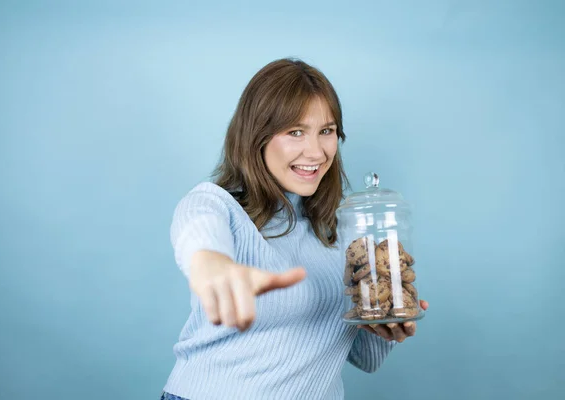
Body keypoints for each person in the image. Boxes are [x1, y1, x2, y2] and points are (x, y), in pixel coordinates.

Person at [161, 58, 429, 400]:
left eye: (327, 131)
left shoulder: (339, 233)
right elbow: (197, 234)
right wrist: (211, 265)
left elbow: (366, 359)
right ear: (256, 137)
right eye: (295, 132)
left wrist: (387, 323)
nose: (316, 152)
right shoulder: (217, 205)